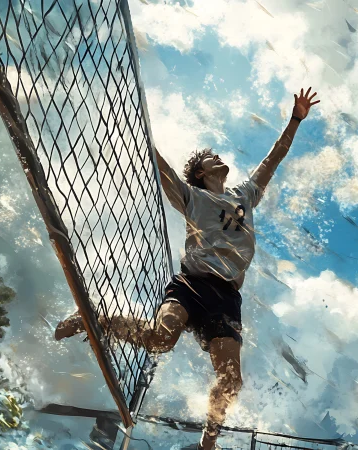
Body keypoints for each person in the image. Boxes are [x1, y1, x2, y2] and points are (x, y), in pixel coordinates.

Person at [54, 88, 320, 450]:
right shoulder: (192, 196)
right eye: (211, 157)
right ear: (200, 171)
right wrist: (137, 130)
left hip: (227, 297)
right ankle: (95, 319)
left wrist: (295, 119)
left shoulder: (244, 194)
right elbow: (157, 165)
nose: (218, 157)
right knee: (161, 341)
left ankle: (207, 445)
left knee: (231, 382)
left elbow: (273, 159)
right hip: (190, 285)